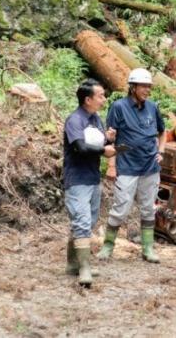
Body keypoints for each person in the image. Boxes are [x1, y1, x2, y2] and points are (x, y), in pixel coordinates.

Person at [96, 68, 166, 263]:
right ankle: (108, 246)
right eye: (143, 86)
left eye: (149, 86)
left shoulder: (152, 107)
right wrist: (112, 165)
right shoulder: (118, 107)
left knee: (148, 208)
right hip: (127, 167)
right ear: (133, 87)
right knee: (121, 208)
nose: (147, 90)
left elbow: (163, 132)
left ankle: (148, 248)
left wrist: (161, 151)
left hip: (150, 168)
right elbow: (111, 137)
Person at [63, 79, 116, 287]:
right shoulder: (74, 120)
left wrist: (107, 139)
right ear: (88, 99)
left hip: (93, 178)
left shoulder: (95, 119)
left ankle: (73, 264)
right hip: (77, 180)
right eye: (100, 96)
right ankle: (84, 268)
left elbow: (98, 143)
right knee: (82, 222)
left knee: (87, 221)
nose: (104, 99)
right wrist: (104, 149)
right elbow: (80, 148)